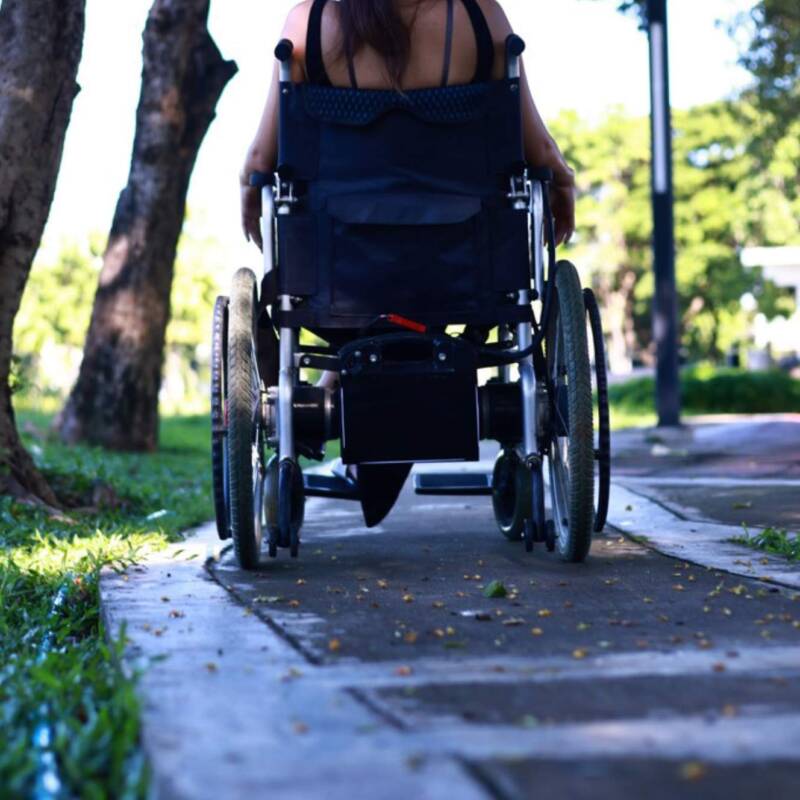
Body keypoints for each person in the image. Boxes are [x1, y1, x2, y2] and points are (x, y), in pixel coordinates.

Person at [238, 0, 577, 528]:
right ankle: (396, 426)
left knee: (344, 288)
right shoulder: (479, 15)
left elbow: (263, 160)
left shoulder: (309, 20)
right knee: (432, 277)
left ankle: (337, 412)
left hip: (342, 277)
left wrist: (248, 192)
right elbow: (533, 146)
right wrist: (563, 180)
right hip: (461, 272)